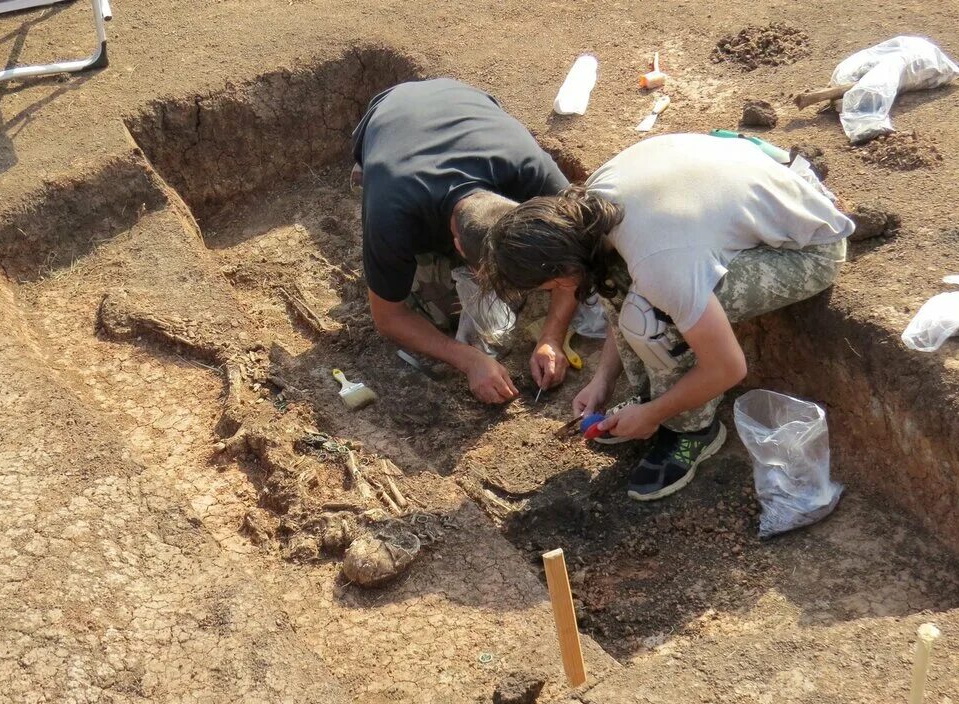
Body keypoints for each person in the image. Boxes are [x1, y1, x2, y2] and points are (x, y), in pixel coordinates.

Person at [482, 132, 854, 500]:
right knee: (616, 282)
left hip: (809, 247)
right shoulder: (590, 208)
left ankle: (691, 431)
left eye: (549, 286)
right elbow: (616, 284)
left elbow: (727, 367)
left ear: (560, 268)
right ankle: (650, 397)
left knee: (655, 319)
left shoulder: (660, 262)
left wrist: (657, 412)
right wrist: (603, 380)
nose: (555, 293)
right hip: (747, 198)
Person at [351, 78, 577, 404]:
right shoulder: (392, 214)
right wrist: (468, 359)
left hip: (458, 98)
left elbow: (574, 258)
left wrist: (551, 338)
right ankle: (362, 174)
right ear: (458, 246)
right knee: (440, 311)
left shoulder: (530, 170)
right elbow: (388, 317)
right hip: (390, 116)